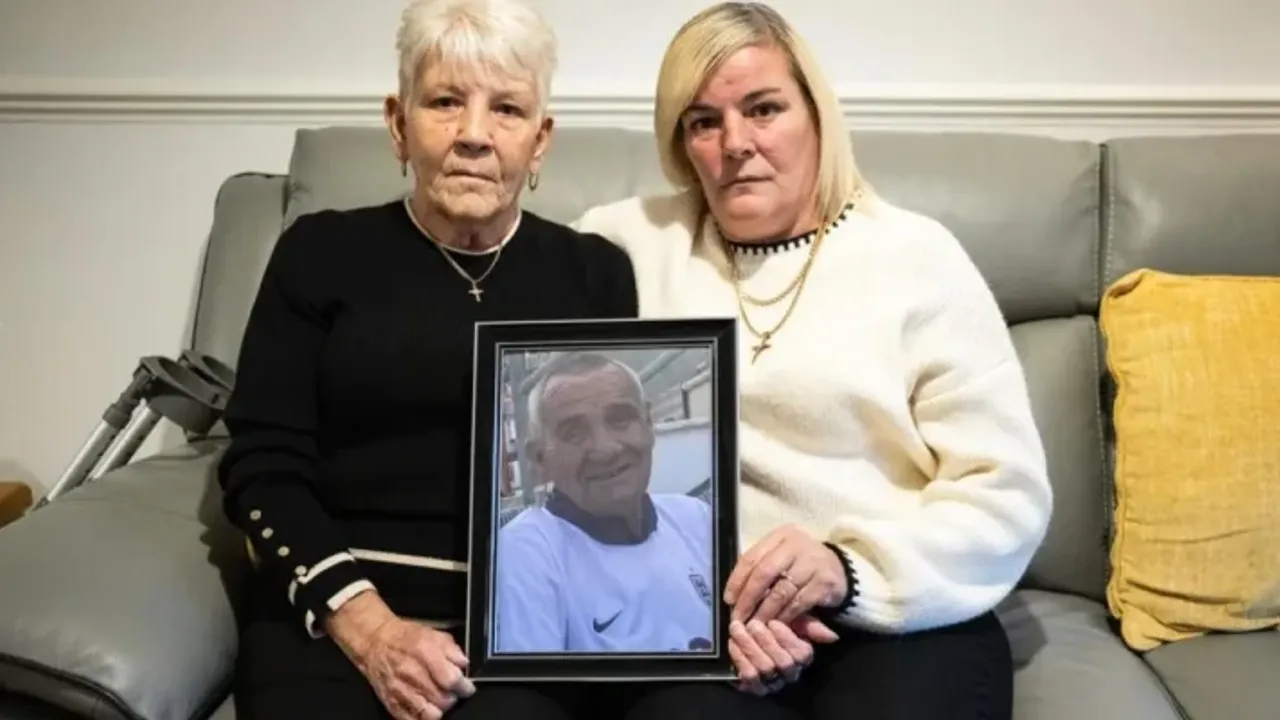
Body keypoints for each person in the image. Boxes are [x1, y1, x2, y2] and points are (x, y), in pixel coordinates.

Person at [572, 3, 1055, 719]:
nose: (736, 143)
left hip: (897, 613)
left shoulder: (916, 258)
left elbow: (1004, 491)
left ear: (817, 115)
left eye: (763, 109)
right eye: (703, 122)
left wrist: (846, 570)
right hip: (710, 625)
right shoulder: (625, 244)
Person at [493, 351, 714, 654]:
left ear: (649, 424)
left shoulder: (696, 517)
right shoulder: (525, 553)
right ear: (539, 459)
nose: (605, 449)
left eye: (620, 420)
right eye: (573, 433)